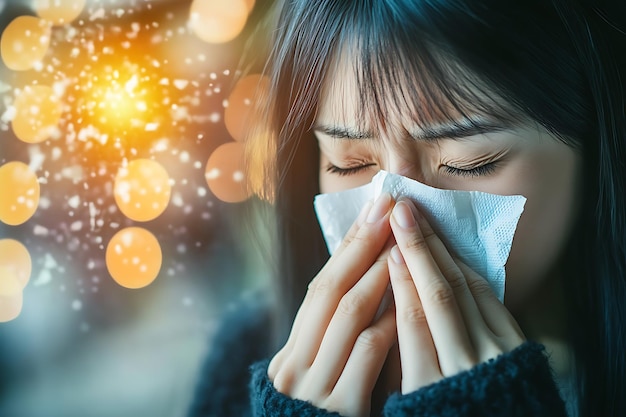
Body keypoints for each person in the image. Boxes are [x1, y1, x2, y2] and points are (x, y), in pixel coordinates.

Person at [187, 0, 626, 416]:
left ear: (597, 145)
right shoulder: (248, 357)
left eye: (468, 163)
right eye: (349, 163)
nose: (397, 214)